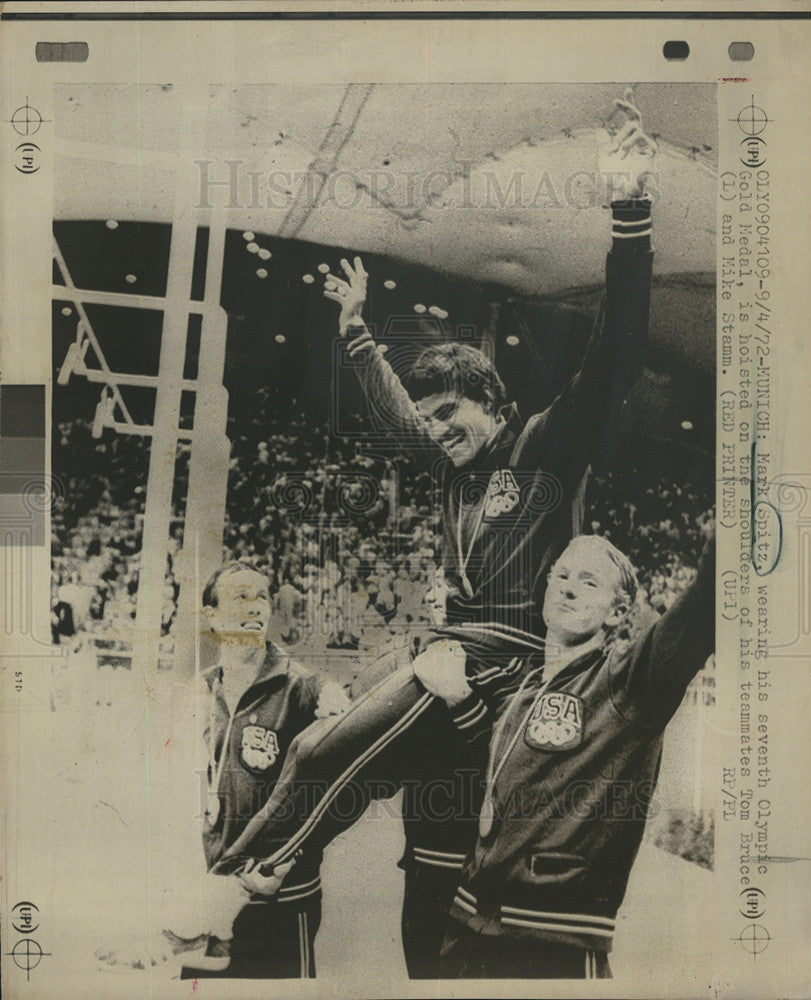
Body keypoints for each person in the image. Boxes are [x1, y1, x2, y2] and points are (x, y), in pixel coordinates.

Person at [208, 91, 658, 977]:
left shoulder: (540, 448)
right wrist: (355, 332)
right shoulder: (452, 471)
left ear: (492, 404)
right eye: (429, 421)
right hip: (453, 654)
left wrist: (630, 212)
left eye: (450, 415)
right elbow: (398, 420)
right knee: (383, 808)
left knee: (315, 750)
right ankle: (268, 875)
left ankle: (240, 881)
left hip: (495, 661)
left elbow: (615, 351)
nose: (436, 432)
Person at [411, 529, 715, 979]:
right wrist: (459, 698)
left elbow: (703, 610)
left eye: (589, 582)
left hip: (553, 945)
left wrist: (735, 512)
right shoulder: (522, 686)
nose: (568, 586)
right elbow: (500, 772)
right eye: (563, 575)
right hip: (467, 931)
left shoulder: (628, 682)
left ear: (618, 612)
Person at [97, 560, 348, 978]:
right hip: (208, 901)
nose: (256, 607)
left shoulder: (302, 686)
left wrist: (337, 702)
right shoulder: (203, 687)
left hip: (279, 897)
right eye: (241, 597)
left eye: (262, 596)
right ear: (211, 615)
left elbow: (331, 785)